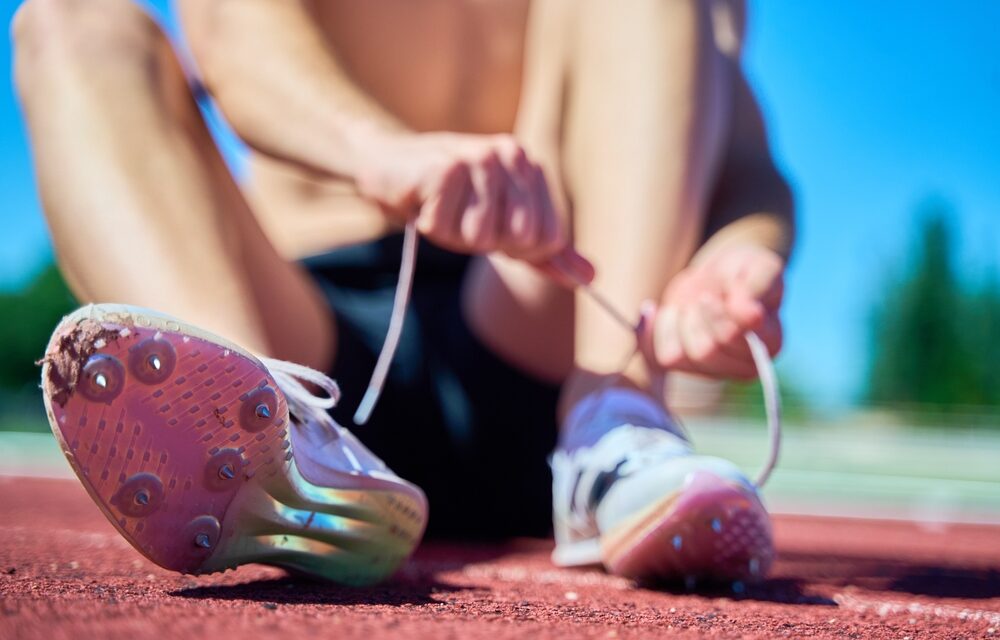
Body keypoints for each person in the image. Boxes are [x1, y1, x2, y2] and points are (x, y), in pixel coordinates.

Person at [16, 0, 793, 584]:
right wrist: (377, 151)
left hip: (546, 331)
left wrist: (737, 258)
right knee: (73, 23)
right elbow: (231, 37)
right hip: (306, 350)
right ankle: (245, 422)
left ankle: (615, 424)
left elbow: (737, 146)